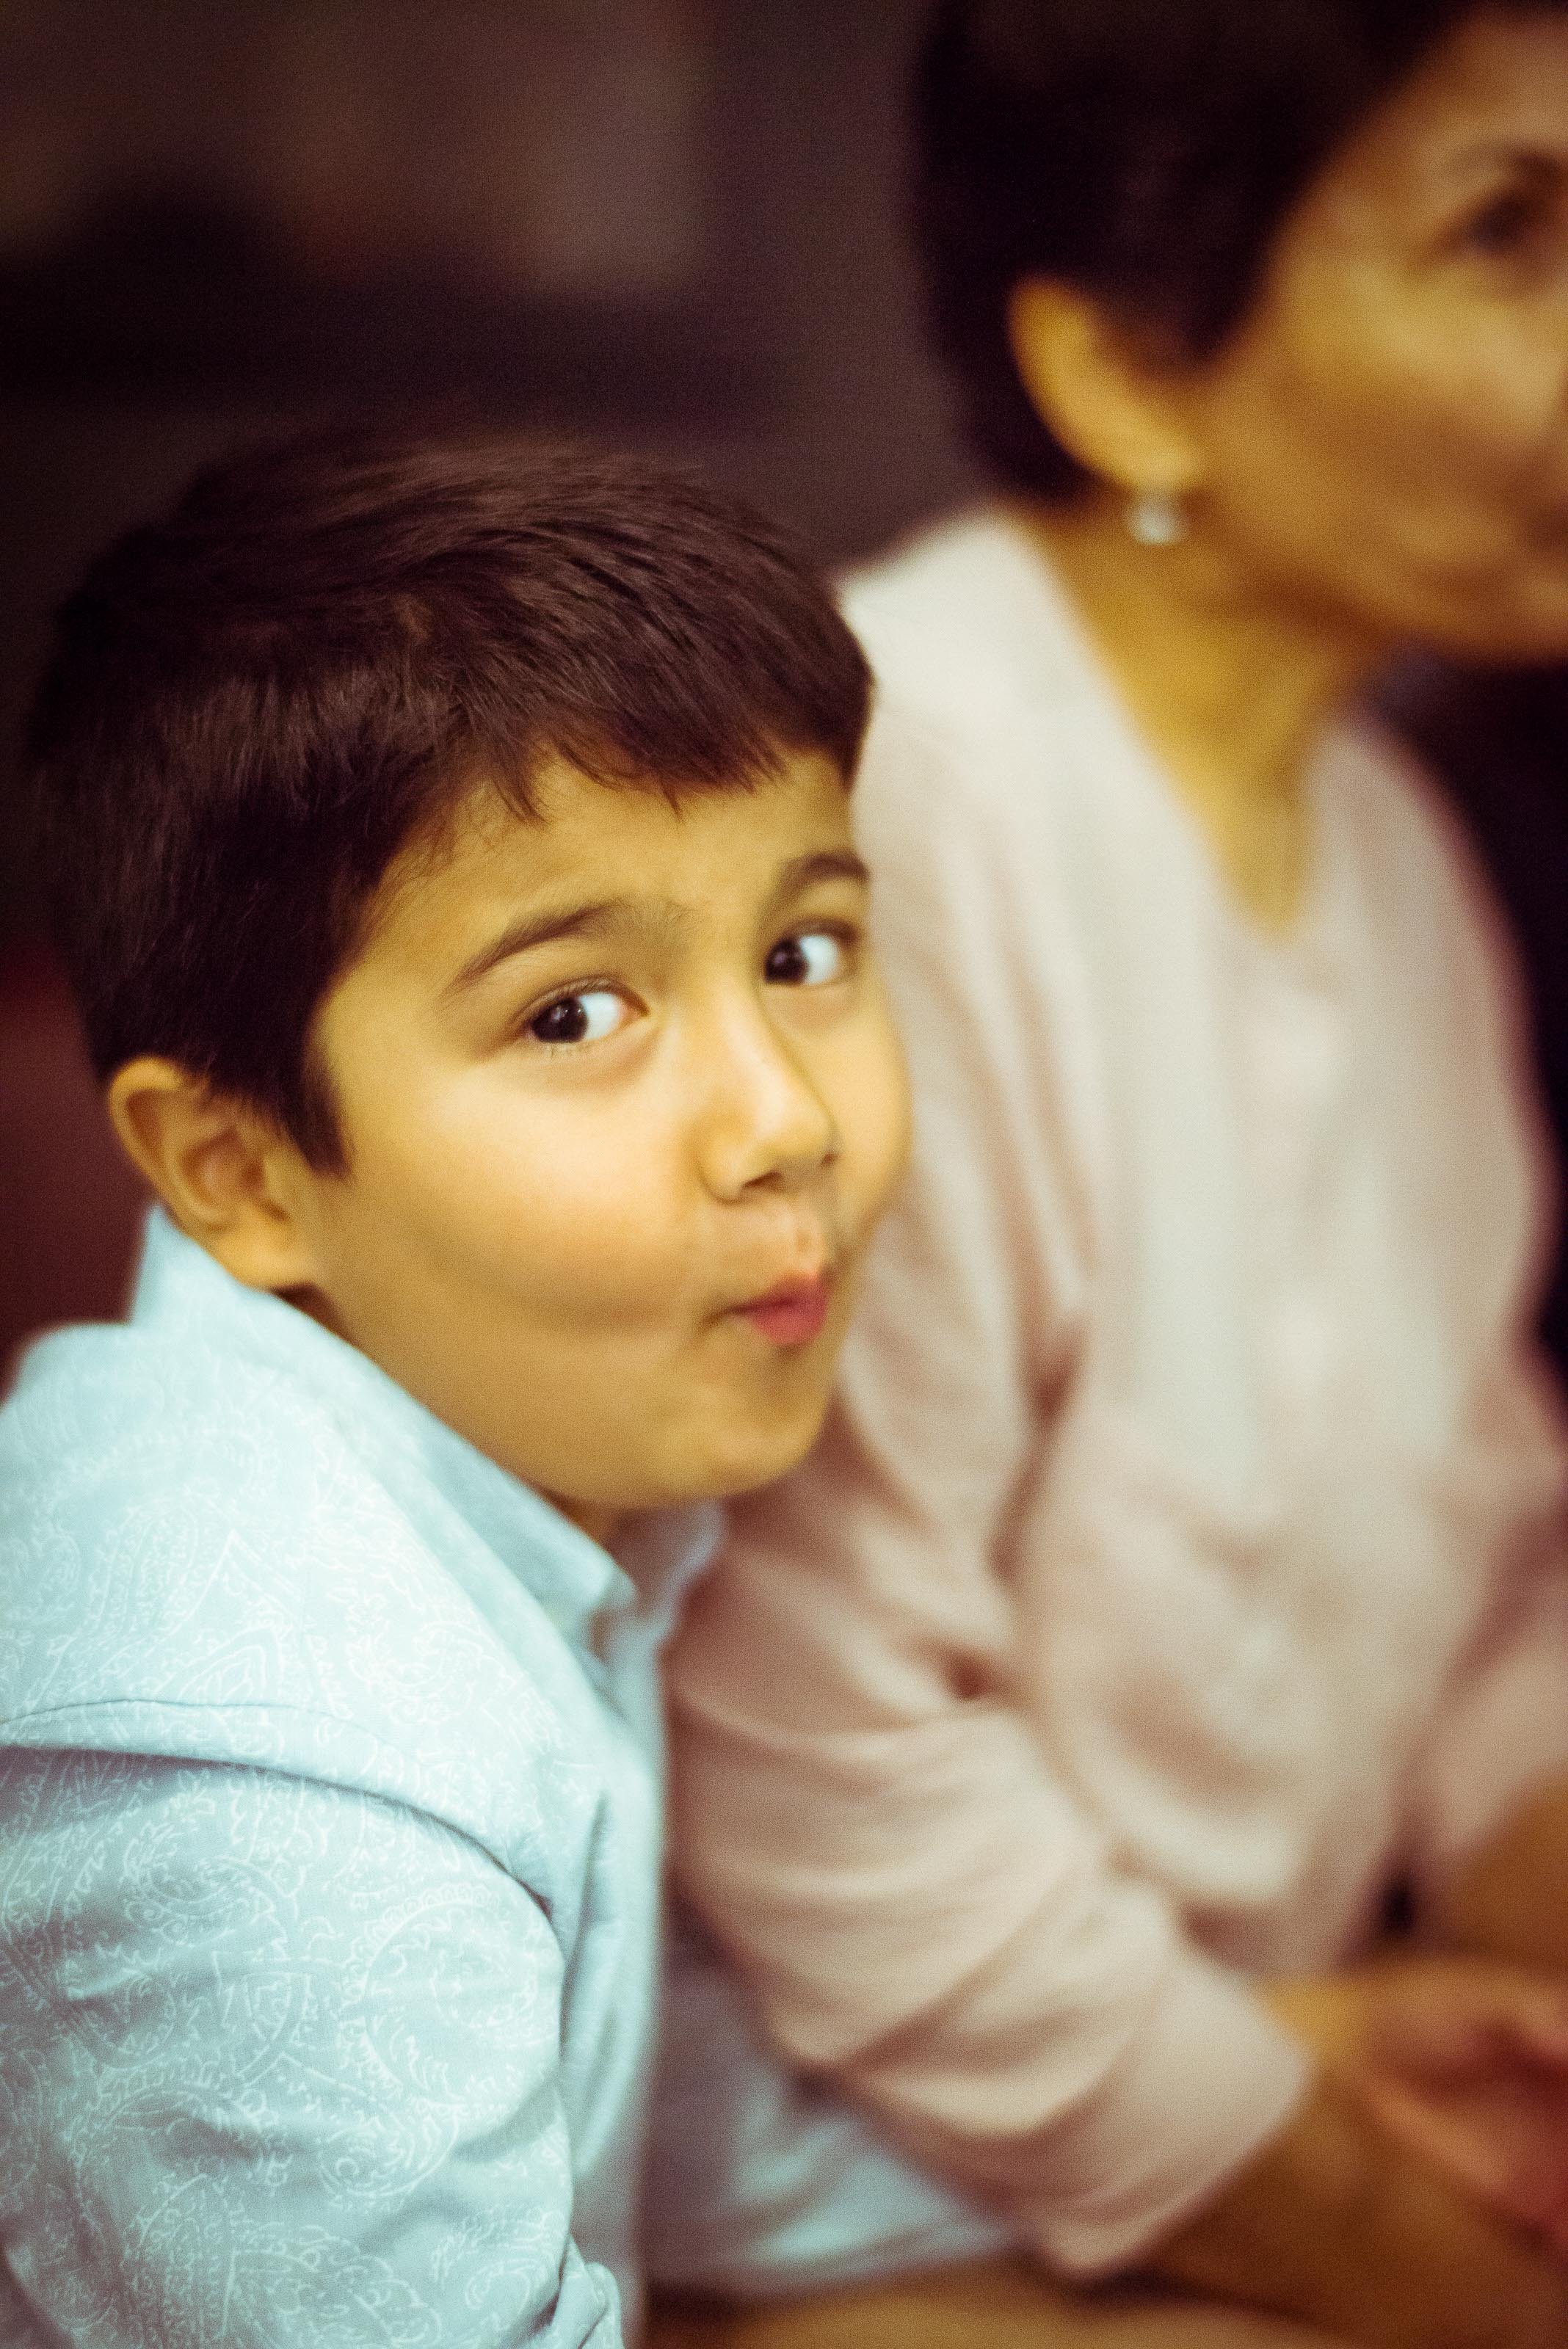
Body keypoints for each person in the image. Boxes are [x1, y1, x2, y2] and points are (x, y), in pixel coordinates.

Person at [658, 4, 1568, 2343]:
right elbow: (825, 1777)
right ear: (1134, 374)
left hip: (1224, 2056)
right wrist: (1403, 2254)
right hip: (821, 2148)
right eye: (1509, 230)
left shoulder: (1392, 849)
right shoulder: (884, 827)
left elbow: (1482, 1606)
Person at [0, 432, 912, 2347]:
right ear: (241, 1173)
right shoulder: (263, 1787)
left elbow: (614, 2084)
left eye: (804, 950)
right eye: (574, 1013)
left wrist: (1284, 2140)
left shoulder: (479, 1436)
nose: (790, 1121)